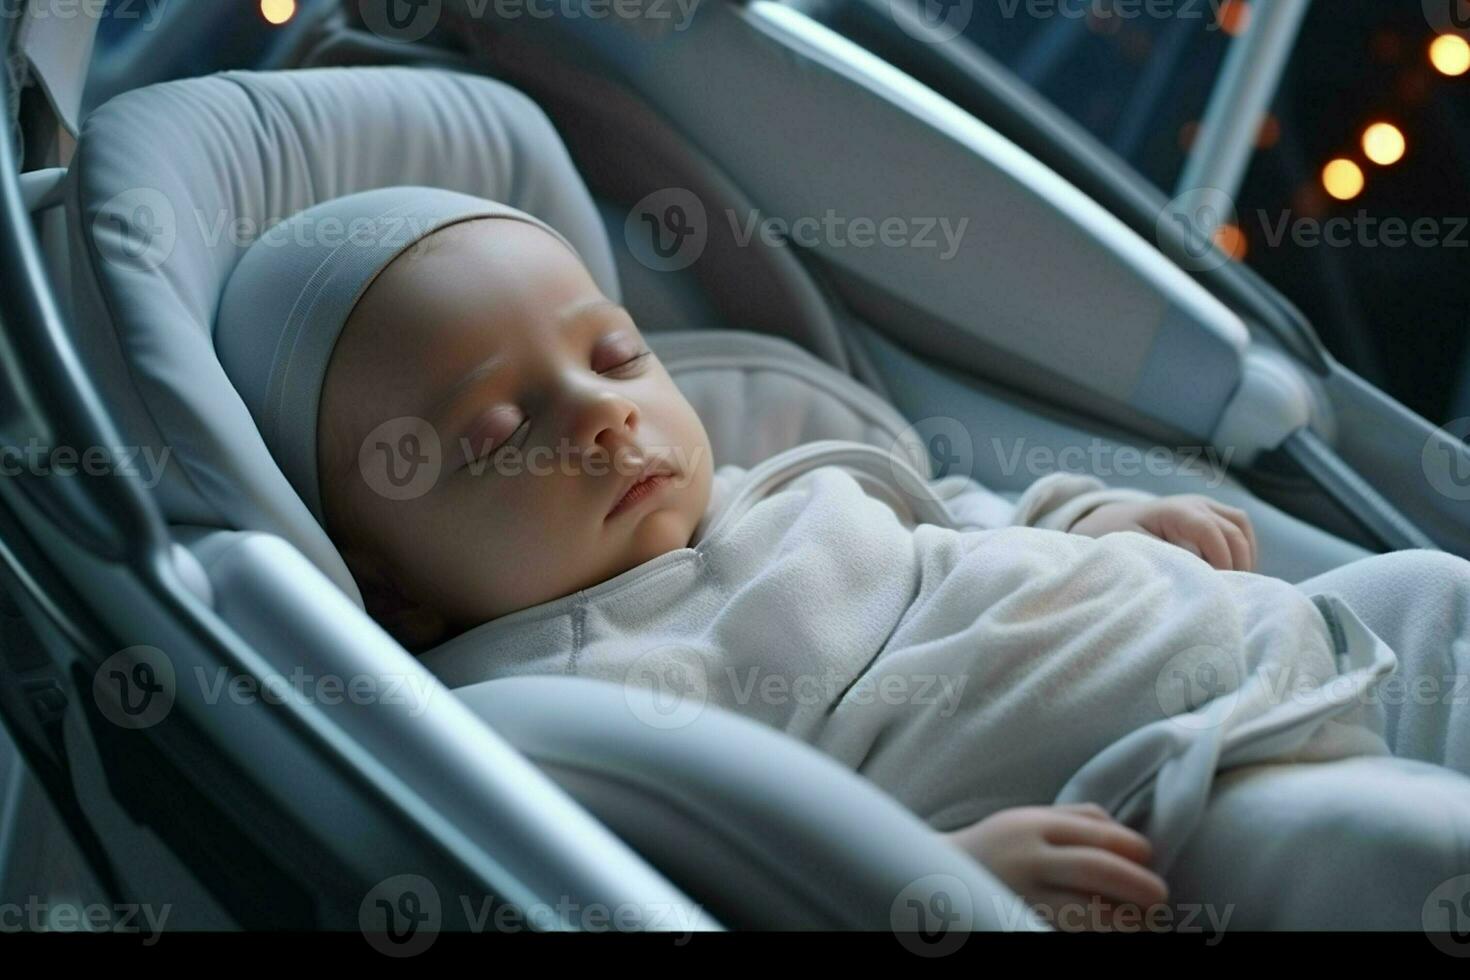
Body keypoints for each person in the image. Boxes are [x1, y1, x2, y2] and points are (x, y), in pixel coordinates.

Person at [215, 186, 1470, 931]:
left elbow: (959, 518)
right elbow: (718, 859)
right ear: (395, 589)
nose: (602, 418)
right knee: (1385, 848)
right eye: (495, 436)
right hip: (1151, 801)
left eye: (612, 360)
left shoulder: (778, 480)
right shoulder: (550, 704)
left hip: (1273, 643)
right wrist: (918, 884)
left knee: (1431, 593)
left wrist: (1091, 520)